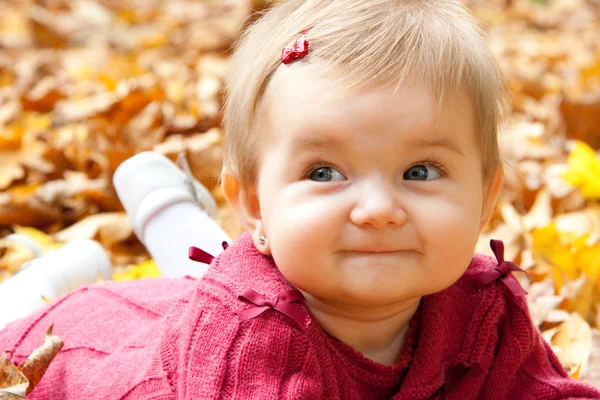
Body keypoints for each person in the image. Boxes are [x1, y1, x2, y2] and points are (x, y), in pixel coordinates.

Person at [1, 0, 599, 398]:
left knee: (191, 272)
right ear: (255, 206)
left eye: (420, 170)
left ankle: (159, 209)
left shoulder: (486, 311)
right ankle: (48, 279)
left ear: (485, 198)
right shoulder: (245, 346)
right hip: (69, 346)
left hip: (198, 298)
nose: (377, 209)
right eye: (324, 172)